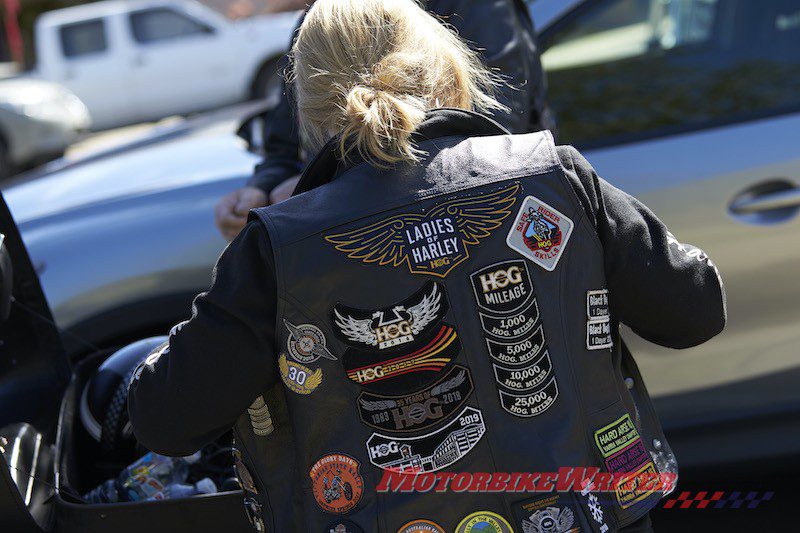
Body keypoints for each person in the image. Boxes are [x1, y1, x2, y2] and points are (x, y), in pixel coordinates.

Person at [128, 1, 726, 531]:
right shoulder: (555, 176)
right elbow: (694, 312)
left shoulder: (278, 246)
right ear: (450, 71)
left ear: (307, 105)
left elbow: (166, 418)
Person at [214, 0, 553, 241]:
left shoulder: (479, 8)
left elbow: (496, 125)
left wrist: (323, 185)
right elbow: (286, 138)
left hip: (488, 222)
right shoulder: (324, 20)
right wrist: (262, 189)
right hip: (352, 242)